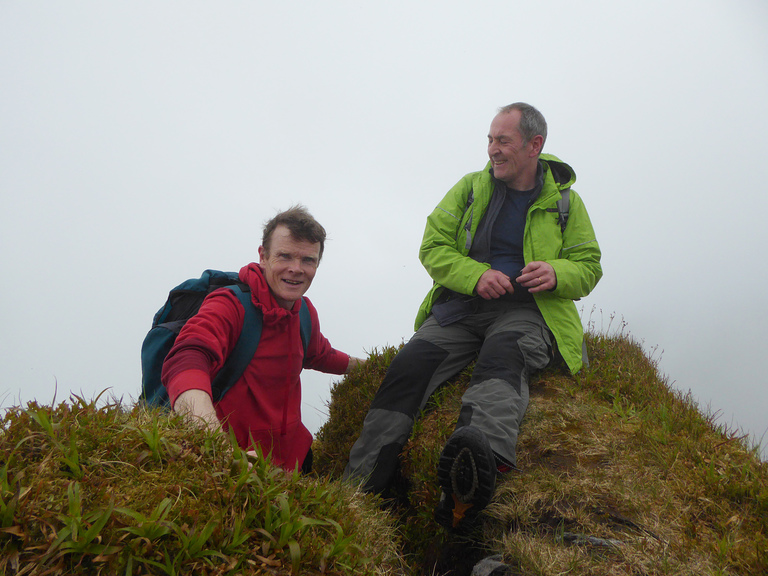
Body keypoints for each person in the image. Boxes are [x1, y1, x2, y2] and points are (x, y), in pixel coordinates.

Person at [344, 103, 602, 530]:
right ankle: (359, 490)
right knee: (408, 367)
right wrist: (476, 275)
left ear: (535, 145)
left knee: (503, 358)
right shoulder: (468, 188)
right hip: (460, 307)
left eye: (503, 141)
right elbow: (433, 247)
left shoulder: (567, 203)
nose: (492, 151)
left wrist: (558, 272)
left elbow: (589, 264)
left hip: (527, 310)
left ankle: (471, 483)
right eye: (489, 140)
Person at [162, 205, 364, 473]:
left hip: (293, 461)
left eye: (308, 260)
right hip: (236, 462)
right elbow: (187, 357)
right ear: (263, 257)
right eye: (285, 256)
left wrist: (372, 367)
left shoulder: (304, 312)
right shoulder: (230, 304)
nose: (296, 269)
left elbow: (319, 354)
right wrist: (215, 446)